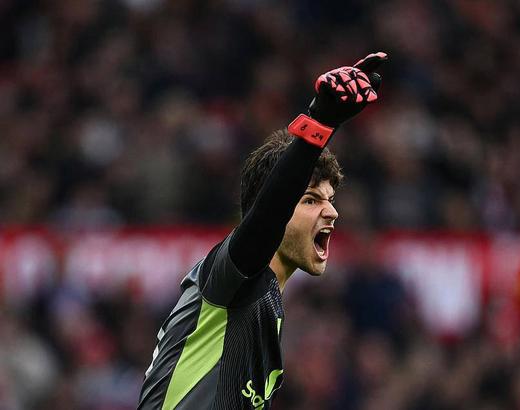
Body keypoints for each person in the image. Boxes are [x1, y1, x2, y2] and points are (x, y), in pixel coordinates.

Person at [137, 52, 388, 409]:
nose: (331, 212)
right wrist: (318, 125)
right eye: (311, 200)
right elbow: (266, 220)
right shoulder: (228, 280)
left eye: (330, 200)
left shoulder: (266, 307)